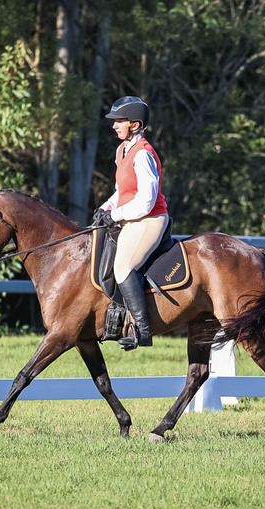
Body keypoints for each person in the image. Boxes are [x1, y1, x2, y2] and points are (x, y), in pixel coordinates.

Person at [94, 96, 169, 350]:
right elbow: (121, 192)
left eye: (119, 121)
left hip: (150, 218)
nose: (114, 125)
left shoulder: (143, 154)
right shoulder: (122, 150)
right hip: (133, 216)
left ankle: (142, 331)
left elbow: (146, 201)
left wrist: (114, 216)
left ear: (135, 125)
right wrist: (105, 208)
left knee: (124, 267)